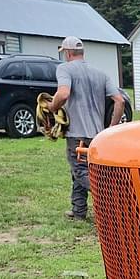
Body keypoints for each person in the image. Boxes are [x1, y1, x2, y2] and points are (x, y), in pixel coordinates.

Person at [47, 36, 125, 220]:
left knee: (80, 171)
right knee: (79, 171)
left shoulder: (64, 68)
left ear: (67, 53)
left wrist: (52, 108)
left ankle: (114, 201)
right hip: (97, 135)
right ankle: (78, 210)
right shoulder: (100, 73)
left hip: (77, 133)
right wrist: (111, 129)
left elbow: (63, 93)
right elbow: (119, 100)